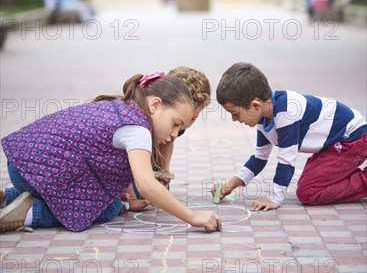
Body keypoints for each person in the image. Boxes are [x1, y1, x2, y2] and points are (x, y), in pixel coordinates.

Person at [0, 73, 221, 233]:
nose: (174, 134)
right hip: (38, 170)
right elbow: (145, 185)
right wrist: (192, 217)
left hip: (22, 162)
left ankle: (7, 197)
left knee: (108, 198)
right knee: (109, 207)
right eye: (175, 124)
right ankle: (29, 214)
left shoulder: (124, 107)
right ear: (155, 105)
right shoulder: (138, 129)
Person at [213, 62, 367, 211]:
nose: (234, 119)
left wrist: (274, 198)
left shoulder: (287, 112)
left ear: (255, 105)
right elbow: (259, 157)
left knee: (308, 192)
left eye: (235, 113)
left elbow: (286, 160)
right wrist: (230, 185)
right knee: (309, 185)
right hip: (333, 144)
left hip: (352, 138)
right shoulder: (263, 115)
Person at [125, 66, 211, 212]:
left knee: (162, 189)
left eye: (193, 119)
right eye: (177, 123)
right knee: (142, 192)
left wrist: (163, 170)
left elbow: (168, 143)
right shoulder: (139, 125)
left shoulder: (173, 122)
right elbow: (124, 159)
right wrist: (132, 195)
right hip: (125, 162)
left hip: (144, 158)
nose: (183, 127)